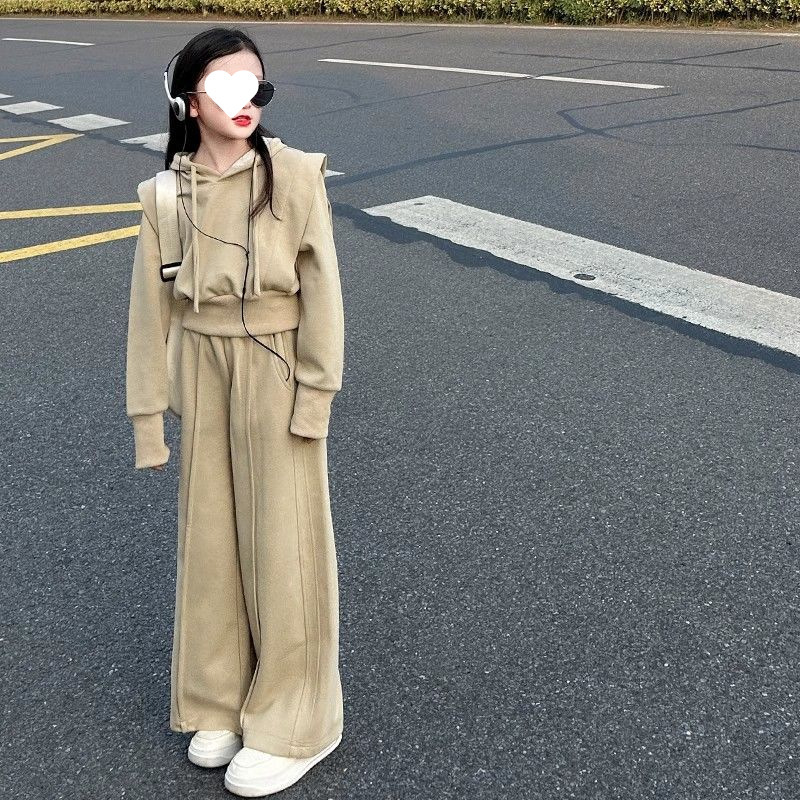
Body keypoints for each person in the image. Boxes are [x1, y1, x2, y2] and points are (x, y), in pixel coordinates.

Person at [125, 26, 345, 797]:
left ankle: (297, 720)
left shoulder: (296, 177)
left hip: (278, 368)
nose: (243, 100)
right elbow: (149, 313)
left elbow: (323, 295)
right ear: (187, 100)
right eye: (224, 85)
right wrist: (148, 418)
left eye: (254, 84)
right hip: (203, 372)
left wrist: (315, 396)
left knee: (285, 549)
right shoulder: (164, 196)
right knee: (212, 545)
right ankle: (220, 701)